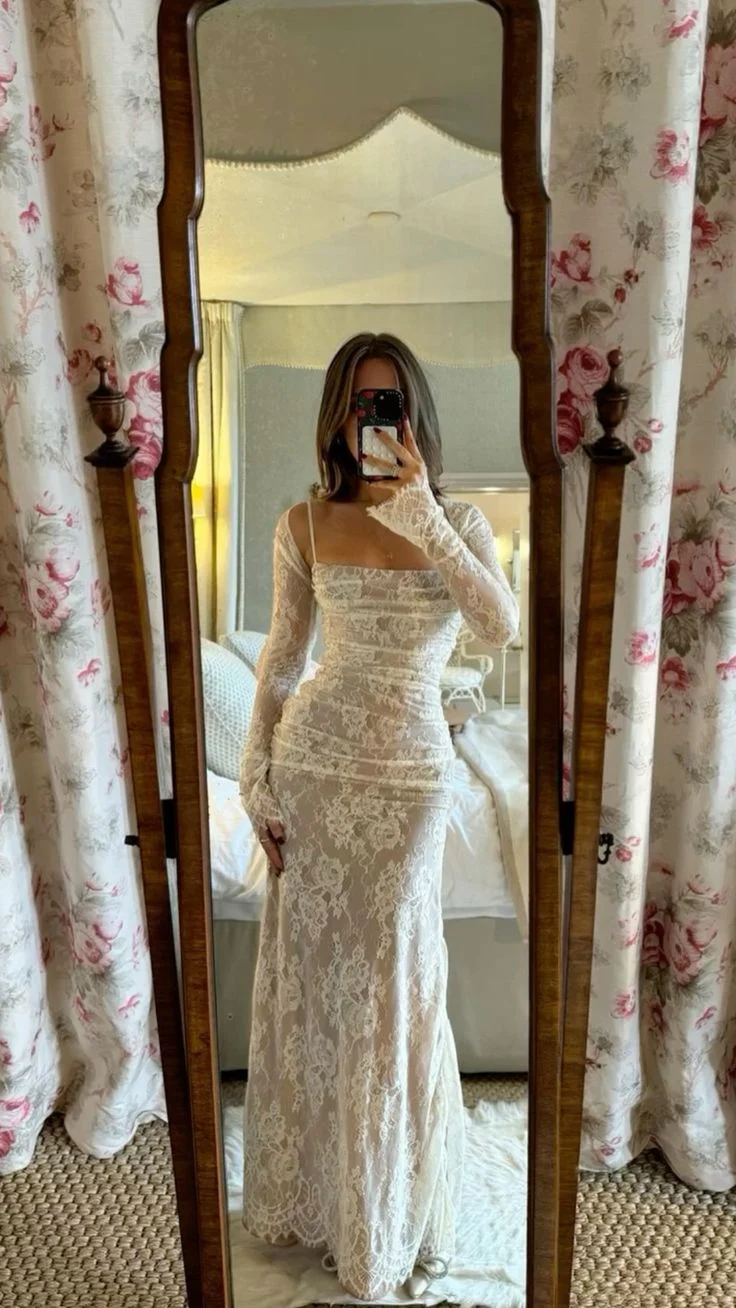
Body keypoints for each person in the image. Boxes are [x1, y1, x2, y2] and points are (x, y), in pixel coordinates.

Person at [239, 332, 519, 1300]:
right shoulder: (306, 523)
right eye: (361, 403)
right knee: (316, 986)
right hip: (314, 768)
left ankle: (382, 1210)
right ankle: (314, 1199)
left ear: (415, 413)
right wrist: (254, 778)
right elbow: (281, 660)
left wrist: (426, 516)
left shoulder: (460, 520)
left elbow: (498, 628)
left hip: (408, 779)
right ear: (337, 416)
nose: (376, 419)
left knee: (391, 987)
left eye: (389, 401)